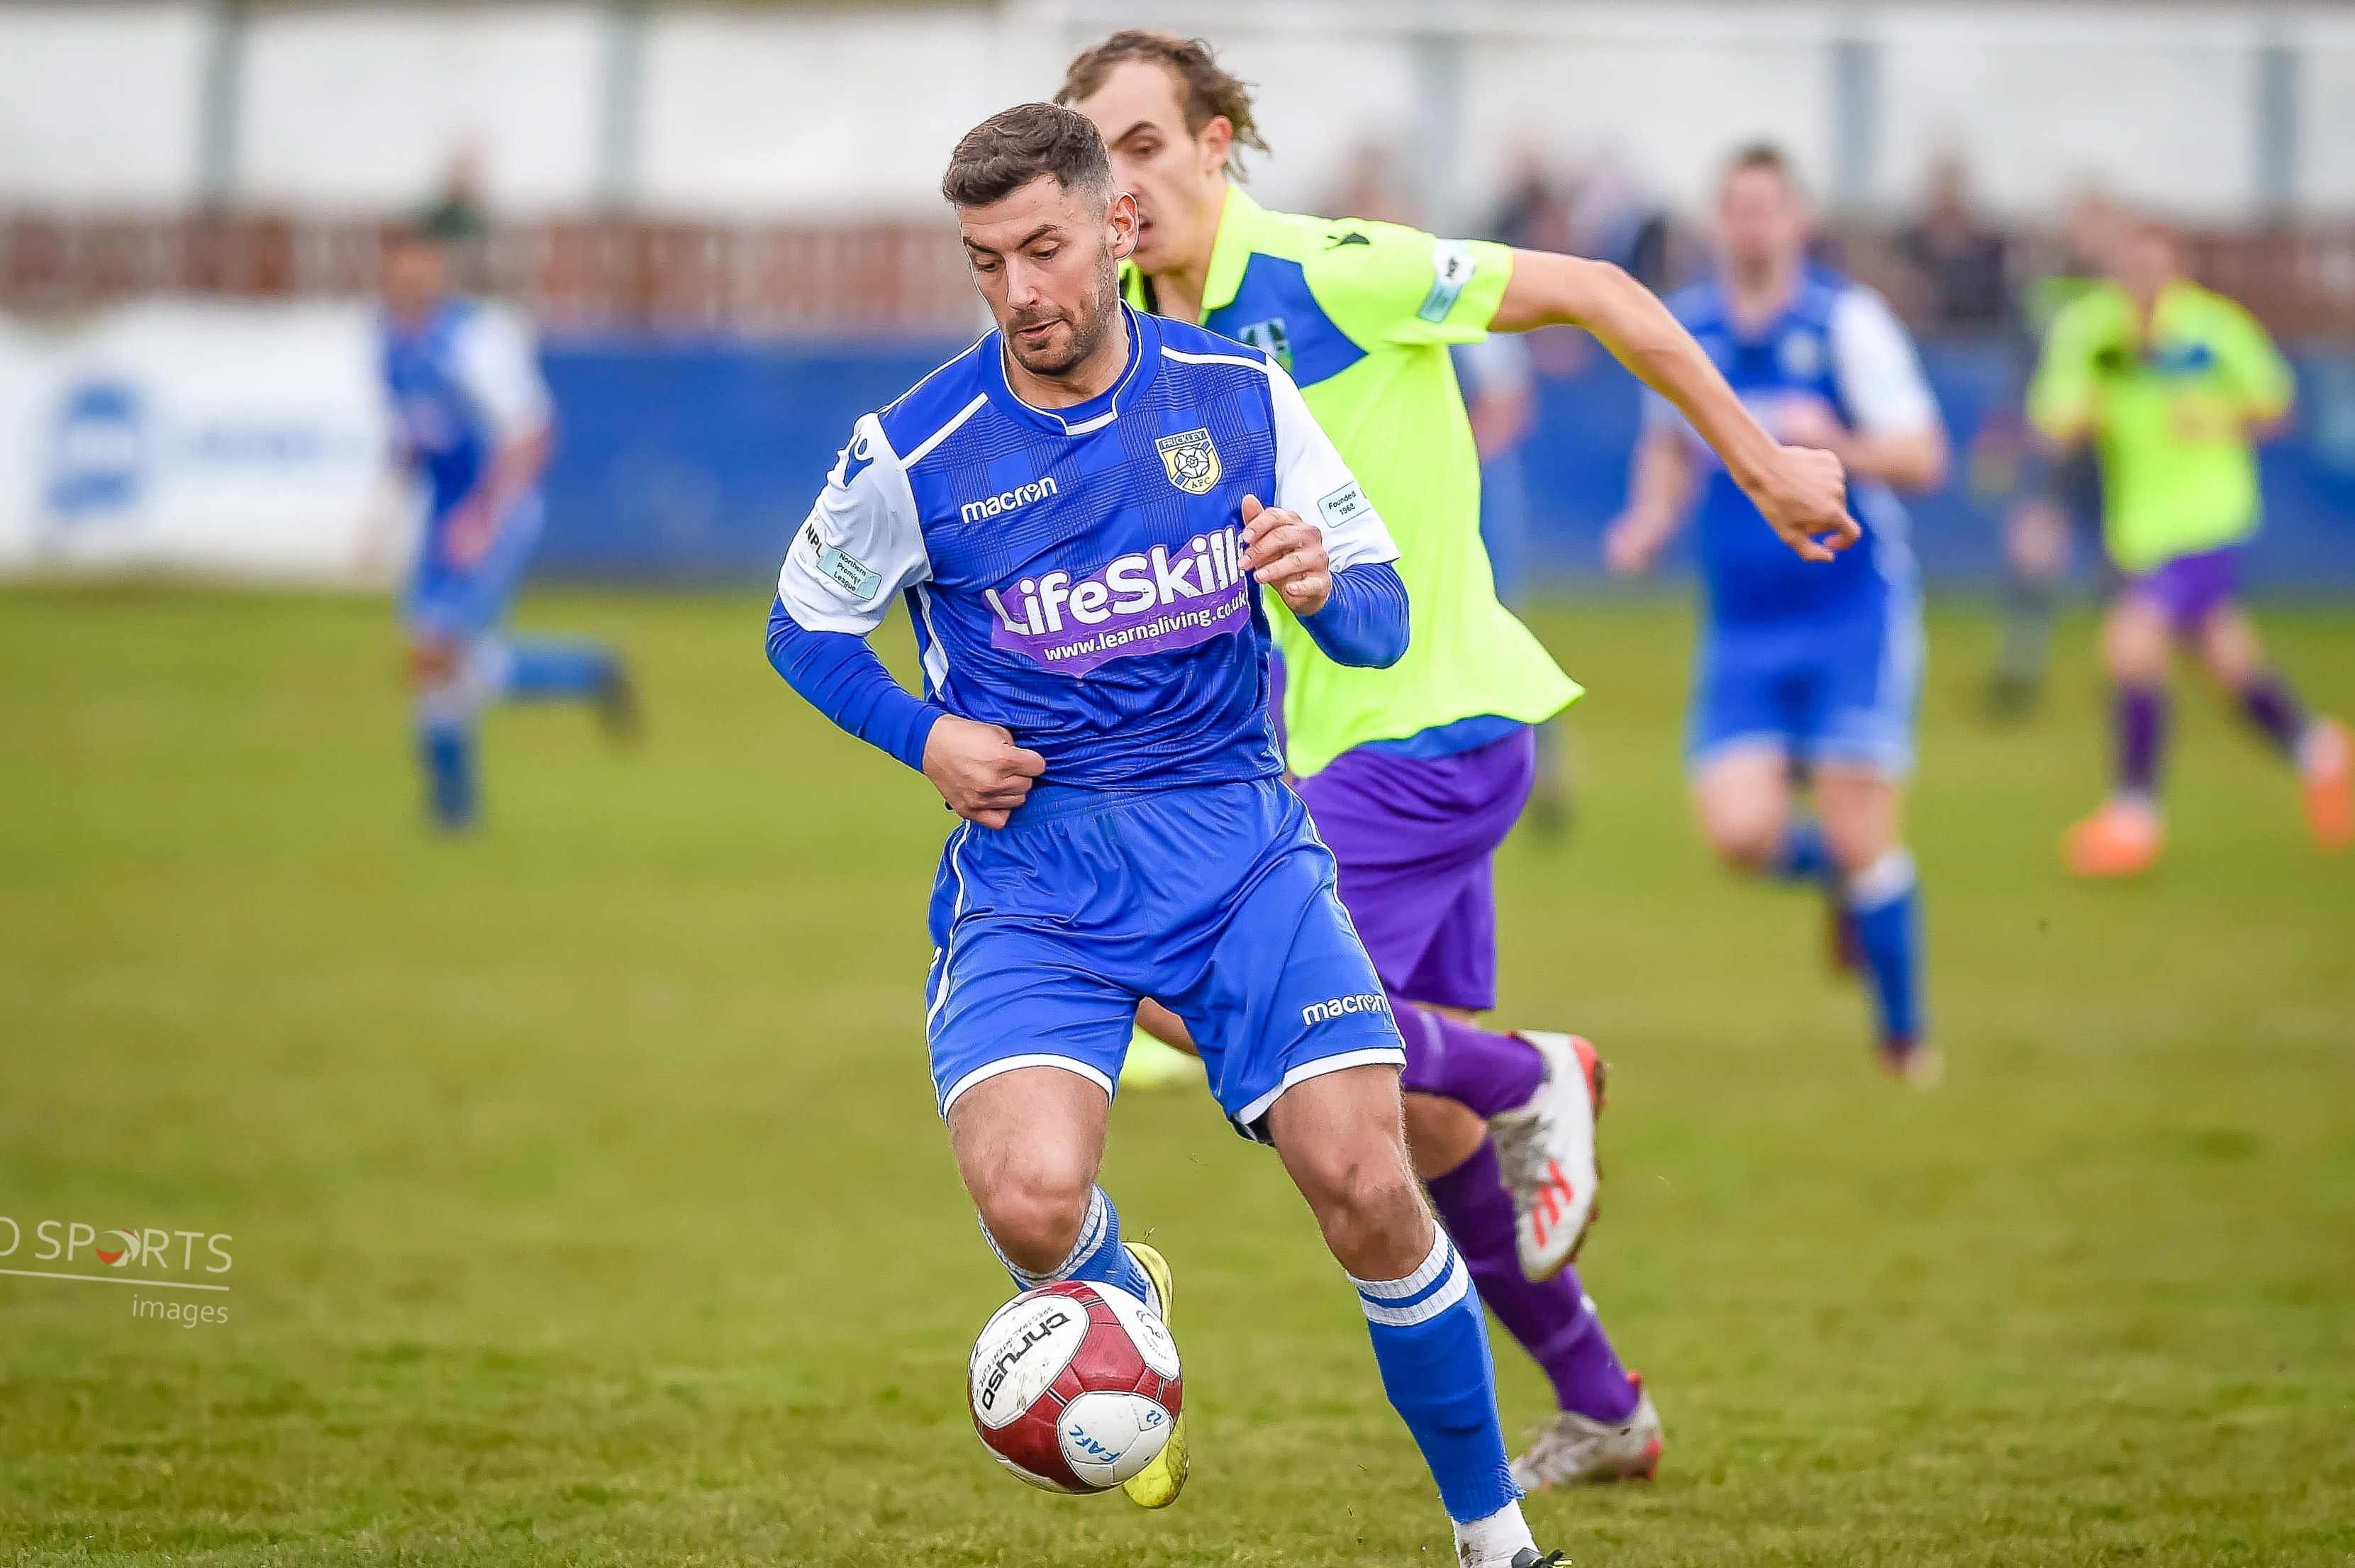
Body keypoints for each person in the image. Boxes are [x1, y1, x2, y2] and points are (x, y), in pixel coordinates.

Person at [764, 103, 1570, 1567]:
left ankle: (1494, 1538)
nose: (1021, 292)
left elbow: (1381, 622)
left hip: (1242, 854)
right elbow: (802, 621)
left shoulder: (1238, 395)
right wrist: (921, 734)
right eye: (988, 261)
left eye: (1046, 250)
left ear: (1116, 233)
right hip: (1040, 878)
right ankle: (1116, 1309)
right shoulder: (916, 446)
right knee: (1026, 1201)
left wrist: (1324, 582)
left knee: (1367, 1185)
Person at [1061, 35, 1858, 1489]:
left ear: (1218, 140)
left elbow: (1604, 294)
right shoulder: (1131, 338)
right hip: (1327, 757)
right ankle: (1603, 1399)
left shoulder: (1334, 267)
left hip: (1424, 735)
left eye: (1142, 145)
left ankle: (1531, 1069)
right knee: (1416, 1122)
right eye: (1090, 156)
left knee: (1210, 1000)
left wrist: (1758, 465)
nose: (1118, 185)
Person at [1605, 145, 1949, 1084]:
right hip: (1744, 621)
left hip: (1852, 609)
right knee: (1739, 834)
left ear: (1797, 219)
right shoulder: (1690, 328)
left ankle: (1904, 1042)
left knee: (1858, 828)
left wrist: (1839, 442)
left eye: (1768, 208)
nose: (1751, 225)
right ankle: (1844, 886)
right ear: (1720, 223)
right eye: (1736, 209)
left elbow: (1924, 456)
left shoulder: (1845, 322)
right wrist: (1648, 519)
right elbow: (1668, 449)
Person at [2030, 217, 2352, 874]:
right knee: (2226, 662)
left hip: (2208, 520)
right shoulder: (2090, 332)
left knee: (2131, 639)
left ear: (2176, 270)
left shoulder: (2215, 330)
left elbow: (2278, 405)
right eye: (2131, 268)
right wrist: (2078, 416)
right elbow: (2052, 420)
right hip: (2137, 529)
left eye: (2156, 267)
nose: (2143, 281)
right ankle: (2320, 752)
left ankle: (2133, 817)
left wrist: (2219, 417)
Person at [379, 215, 635, 833]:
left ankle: (454, 805)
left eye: (419, 259)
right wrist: (391, 492)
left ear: (437, 268)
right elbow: (418, 430)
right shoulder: (389, 341)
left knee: (437, 652)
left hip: (492, 514)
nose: (407, 272)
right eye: (397, 260)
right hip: (443, 518)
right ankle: (590, 670)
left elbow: (532, 432)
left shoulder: (471, 340)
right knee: (436, 659)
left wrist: (481, 514)